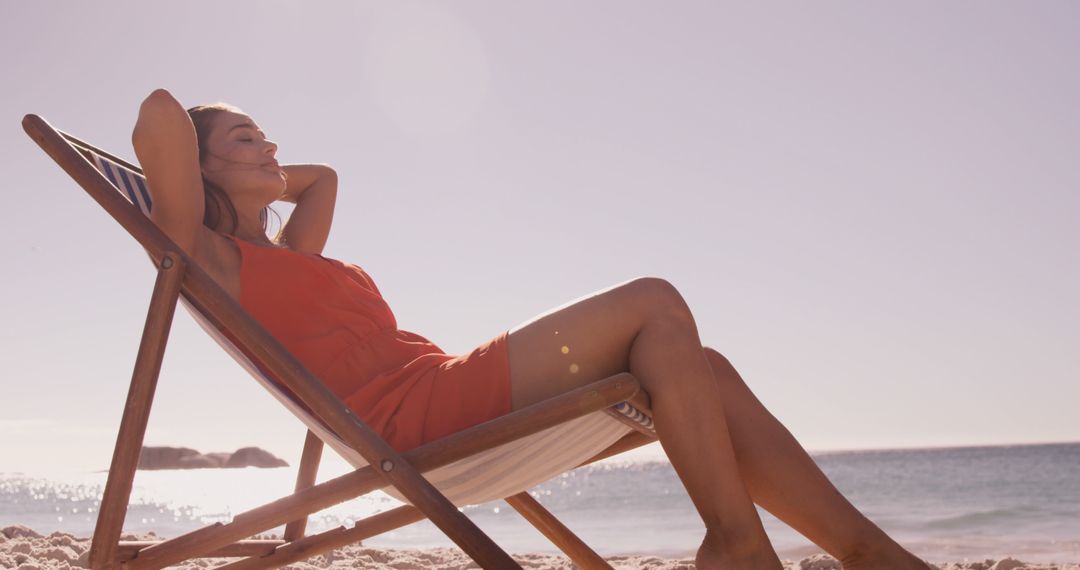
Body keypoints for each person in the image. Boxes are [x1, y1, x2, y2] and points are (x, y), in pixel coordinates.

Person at [131, 88, 933, 569]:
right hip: (416, 419)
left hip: (438, 386)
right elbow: (159, 118)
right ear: (197, 170)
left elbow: (327, 176)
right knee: (656, 302)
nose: (271, 144)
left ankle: (863, 555)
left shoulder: (285, 251)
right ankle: (737, 545)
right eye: (246, 137)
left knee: (705, 367)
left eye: (267, 134)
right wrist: (213, 168)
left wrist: (252, 163)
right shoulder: (210, 257)